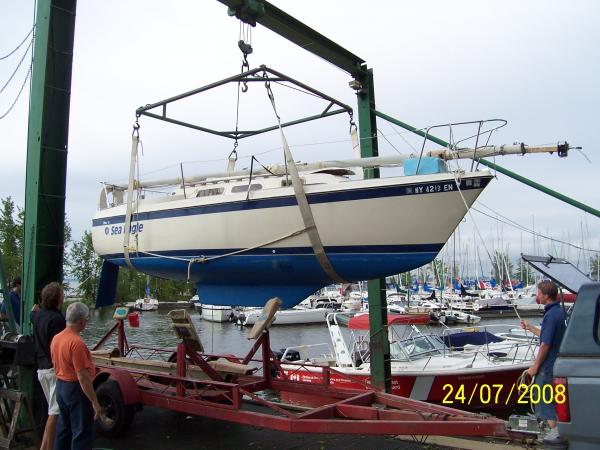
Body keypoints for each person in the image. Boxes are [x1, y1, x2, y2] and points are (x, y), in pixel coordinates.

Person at [521, 280, 567, 444]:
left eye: (538, 293)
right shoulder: (558, 312)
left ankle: (553, 439)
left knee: (545, 403)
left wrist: (535, 367)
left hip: (547, 368)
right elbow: (547, 335)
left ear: (546, 296)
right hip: (556, 364)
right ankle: (558, 434)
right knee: (554, 403)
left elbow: (546, 344)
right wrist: (529, 327)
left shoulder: (550, 315)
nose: (536, 295)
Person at [51, 302, 100, 450]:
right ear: (81, 321)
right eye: (86, 318)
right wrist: (94, 401)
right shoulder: (76, 343)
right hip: (75, 390)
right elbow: (82, 377)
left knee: (64, 429)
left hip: (60, 386)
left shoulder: (57, 338)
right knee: (82, 432)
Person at [33, 282, 66, 450]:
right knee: (54, 413)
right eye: (62, 294)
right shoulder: (57, 319)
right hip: (54, 370)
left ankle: (44, 447)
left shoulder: (38, 316)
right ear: (58, 298)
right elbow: (59, 347)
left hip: (41, 368)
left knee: (51, 411)